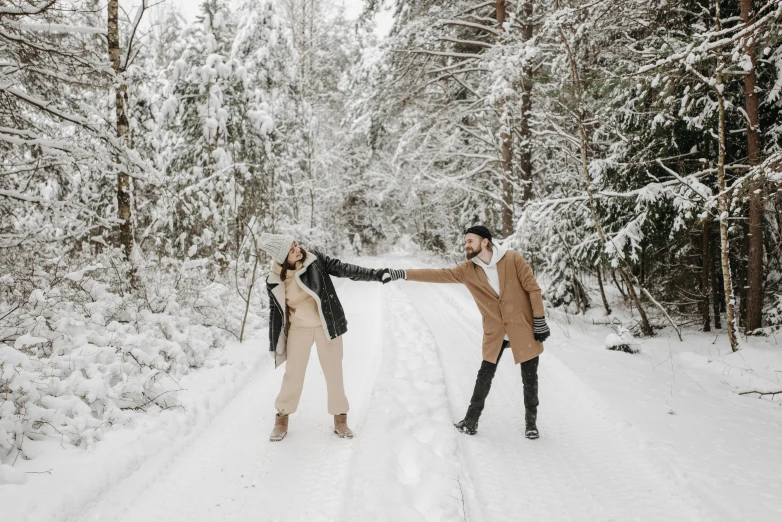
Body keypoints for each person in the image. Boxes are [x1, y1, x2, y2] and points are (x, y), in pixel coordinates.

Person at [384, 225, 550, 439]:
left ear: (485, 242)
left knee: (530, 378)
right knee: (484, 375)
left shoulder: (512, 259)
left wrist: (539, 321)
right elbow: (437, 275)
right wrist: (402, 273)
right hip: (495, 332)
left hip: (523, 328)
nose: (466, 245)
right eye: (465, 241)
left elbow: (533, 289)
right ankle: (470, 421)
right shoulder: (468, 270)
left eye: (470, 241)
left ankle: (531, 424)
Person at [260, 233, 390, 442]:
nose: (298, 250)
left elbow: (345, 269)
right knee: (293, 375)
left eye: (296, 244)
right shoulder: (275, 280)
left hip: (325, 326)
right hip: (298, 330)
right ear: (283, 259)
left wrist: (376, 274)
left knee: (333, 373)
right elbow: (275, 312)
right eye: (292, 250)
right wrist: (274, 341)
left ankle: (340, 419)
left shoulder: (315, 260)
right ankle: (282, 418)